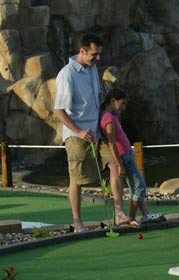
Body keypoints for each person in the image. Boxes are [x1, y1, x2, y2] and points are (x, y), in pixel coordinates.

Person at [54, 33, 104, 232]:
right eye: (94, 54)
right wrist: (79, 131)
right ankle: (78, 223)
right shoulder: (67, 74)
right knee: (77, 179)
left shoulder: (92, 68)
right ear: (82, 51)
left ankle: (120, 214)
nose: (98, 58)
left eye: (99, 54)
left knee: (116, 165)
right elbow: (58, 110)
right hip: (77, 134)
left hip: (96, 131)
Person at [99, 88, 164, 225]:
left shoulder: (112, 116)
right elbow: (111, 143)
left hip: (127, 154)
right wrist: (120, 164)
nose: (124, 107)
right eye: (122, 103)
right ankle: (132, 217)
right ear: (113, 101)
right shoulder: (108, 119)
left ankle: (145, 214)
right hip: (124, 157)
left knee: (137, 185)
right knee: (139, 187)